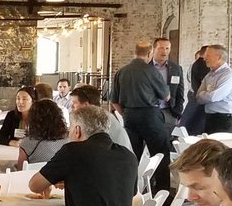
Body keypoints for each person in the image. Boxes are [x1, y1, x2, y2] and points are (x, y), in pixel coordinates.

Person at [29, 106, 138, 206]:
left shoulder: (71, 151)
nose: (68, 134)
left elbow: (34, 185)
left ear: (77, 130)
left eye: (70, 129)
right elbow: (127, 192)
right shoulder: (129, 156)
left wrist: (51, 181)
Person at [112, 41, 171, 193]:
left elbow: (114, 102)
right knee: (160, 153)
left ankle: (131, 191)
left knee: (132, 156)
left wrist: (126, 114)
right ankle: (162, 191)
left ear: (135, 52)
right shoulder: (151, 71)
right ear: (150, 53)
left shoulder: (122, 72)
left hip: (130, 116)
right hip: (150, 116)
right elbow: (166, 96)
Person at [195, 43, 232, 134]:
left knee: (222, 147)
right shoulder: (209, 75)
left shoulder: (229, 75)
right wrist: (208, 94)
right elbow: (198, 97)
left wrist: (206, 94)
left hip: (225, 120)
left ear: (219, 57)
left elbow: (214, 97)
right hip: (210, 118)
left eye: (208, 56)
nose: (204, 58)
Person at [70, 84, 131, 150]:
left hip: (116, 157)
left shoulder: (97, 120)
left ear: (86, 105)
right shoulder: (99, 115)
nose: (72, 106)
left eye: (74, 103)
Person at [16, 98, 68, 169]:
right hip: (63, 179)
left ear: (33, 119)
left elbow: (20, 170)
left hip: (35, 178)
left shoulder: (27, 143)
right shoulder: (68, 139)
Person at [152, 37, 185, 139]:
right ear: (154, 49)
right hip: (151, 111)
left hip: (169, 112)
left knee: (168, 142)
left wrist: (178, 113)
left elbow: (180, 92)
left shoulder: (176, 69)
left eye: (167, 48)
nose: (164, 51)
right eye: (161, 48)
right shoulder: (146, 68)